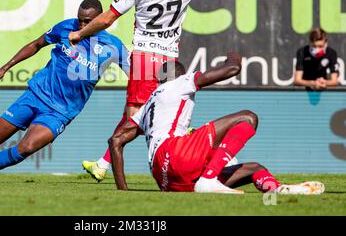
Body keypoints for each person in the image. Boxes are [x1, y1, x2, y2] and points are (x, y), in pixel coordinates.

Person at [68, 0, 285, 181]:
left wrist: (80, 33)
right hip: (170, 62)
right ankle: (104, 162)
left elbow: (107, 19)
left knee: (136, 116)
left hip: (144, 59)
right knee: (157, 111)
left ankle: (113, 166)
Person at [109, 51, 325, 195]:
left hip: (166, 180)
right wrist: (235, 56)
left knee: (254, 169)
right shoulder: (180, 83)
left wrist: (123, 192)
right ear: (180, 75)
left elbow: (116, 140)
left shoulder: (148, 104)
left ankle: (276, 190)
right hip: (175, 153)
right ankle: (209, 179)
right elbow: (231, 69)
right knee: (248, 118)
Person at [0, 0, 130, 180]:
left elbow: (135, 72)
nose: (81, 25)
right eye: (79, 19)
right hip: (36, 94)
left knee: (26, 147)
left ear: (100, 20)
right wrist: (5, 67)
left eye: (87, 22)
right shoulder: (66, 27)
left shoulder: (113, 45)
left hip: (61, 111)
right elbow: (36, 44)